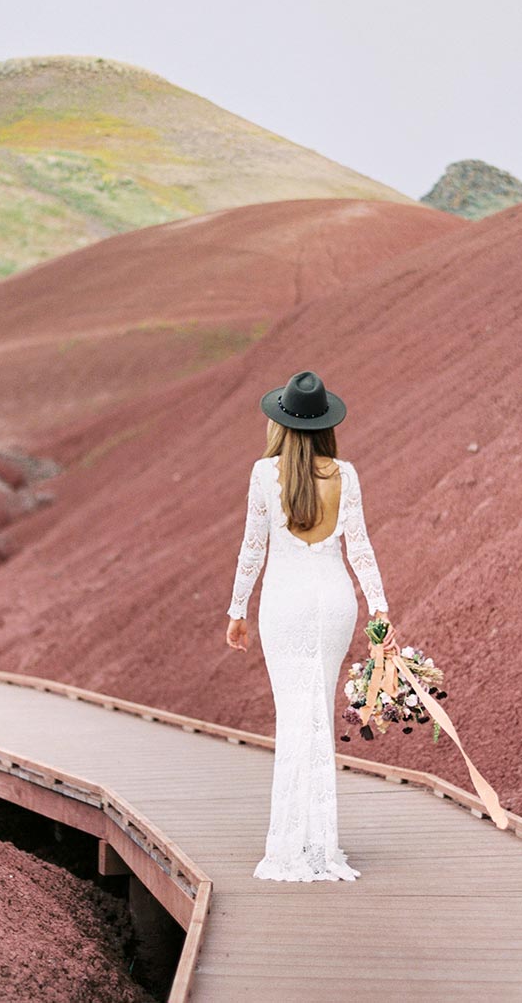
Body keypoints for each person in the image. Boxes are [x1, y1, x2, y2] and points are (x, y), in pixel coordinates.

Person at [224, 369, 395, 882]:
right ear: (325, 424)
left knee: (295, 719)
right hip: (336, 600)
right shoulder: (346, 473)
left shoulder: (263, 474)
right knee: (318, 712)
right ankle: (321, 845)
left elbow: (254, 548)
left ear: (280, 423)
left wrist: (236, 611)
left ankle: (292, 845)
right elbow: (359, 546)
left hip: (287, 602)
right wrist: (380, 607)